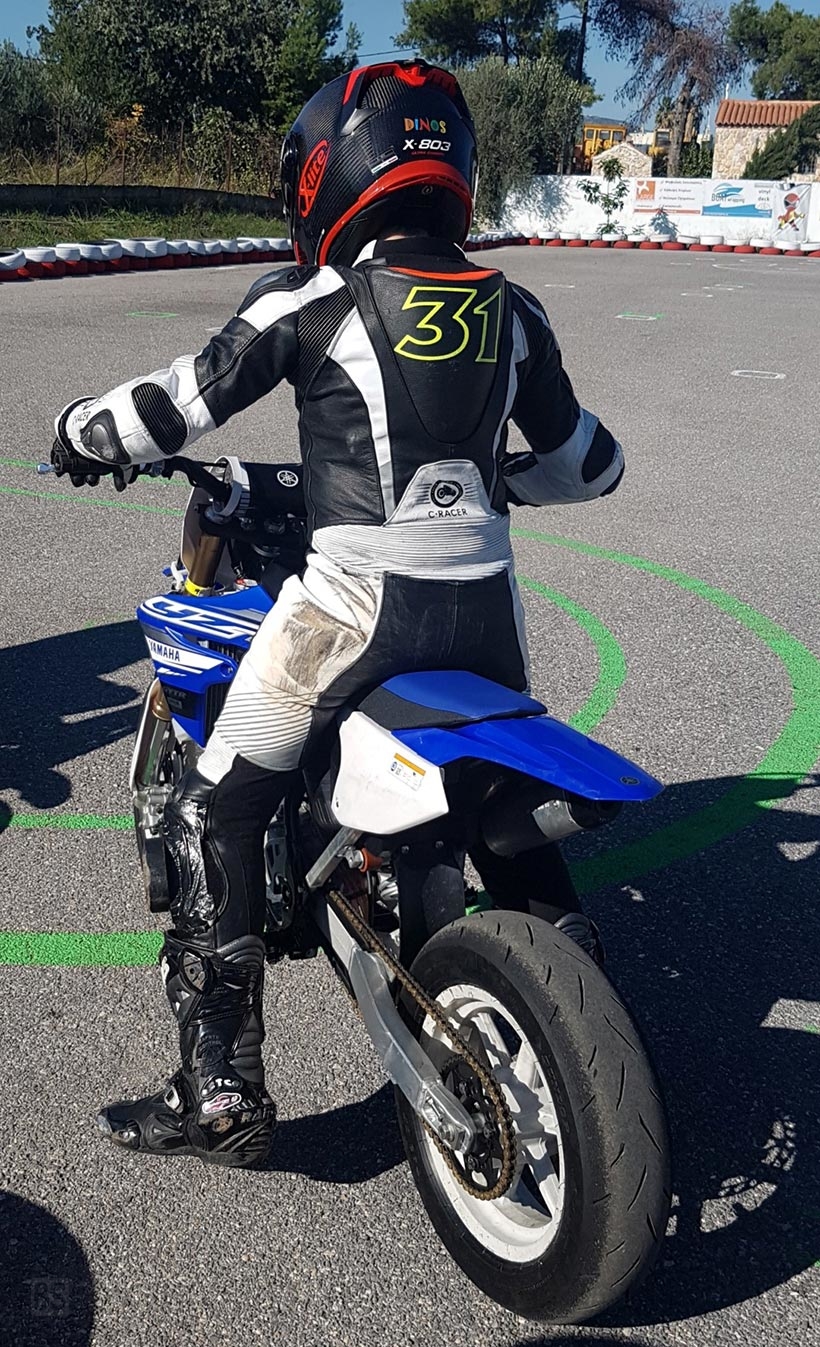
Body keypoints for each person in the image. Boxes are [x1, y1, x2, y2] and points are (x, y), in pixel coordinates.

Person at [53, 60, 624, 1168]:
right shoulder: (516, 309)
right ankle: (567, 964)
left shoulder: (312, 297)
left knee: (212, 810)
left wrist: (80, 430)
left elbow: (175, 405)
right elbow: (589, 467)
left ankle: (217, 1086)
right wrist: (490, 483)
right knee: (493, 800)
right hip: (489, 626)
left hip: (353, 615)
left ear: (330, 169)